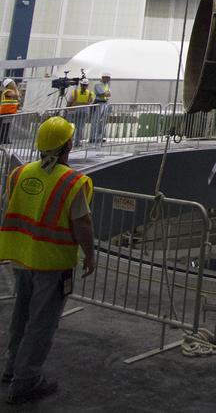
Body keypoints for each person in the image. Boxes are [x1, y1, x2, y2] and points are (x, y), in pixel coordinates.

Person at [0, 116, 96, 404]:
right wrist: (90, 253)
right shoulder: (73, 181)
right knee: (42, 322)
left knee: (22, 314)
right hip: (52, 263)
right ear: (68, 144)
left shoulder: (20, 173)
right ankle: (26, 381)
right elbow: (83, 224)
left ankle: (11, 369)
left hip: (22, 258)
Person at [90, 75, 111, 145]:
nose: (109, 79)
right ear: (103, 78)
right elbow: (102, 94)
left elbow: (109, 94)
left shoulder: (106, 85)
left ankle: (100, 137)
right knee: (95, 121)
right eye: (107, 78)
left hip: (104, 104)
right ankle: (92, 137)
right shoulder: (98, 84)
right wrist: (106, 94)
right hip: (98, 103)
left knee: (102, 122)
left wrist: (106, 94)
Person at [0, 80, 19, 145]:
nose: (15, 84)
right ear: (9, 85)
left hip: (10, 112)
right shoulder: (7, 91)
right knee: (4, 126)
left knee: (7, 126)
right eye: (13, 83)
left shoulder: (11, 91)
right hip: (5, 112)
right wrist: (16, 89)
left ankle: (5, 139)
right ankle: (2, 140)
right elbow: (16, 95)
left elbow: (18, 97)